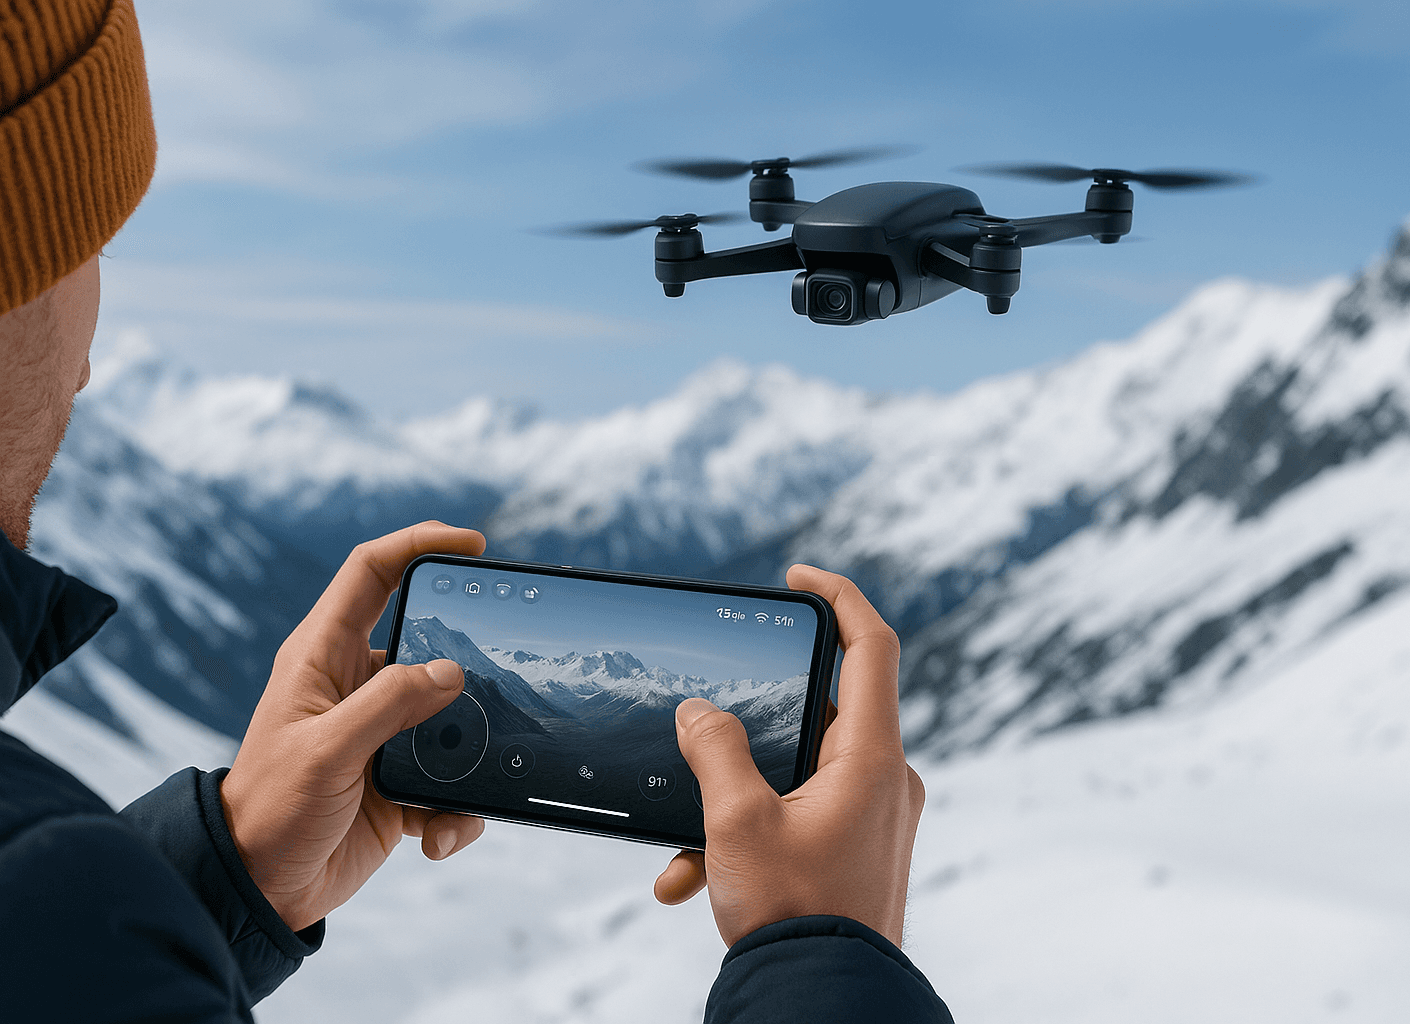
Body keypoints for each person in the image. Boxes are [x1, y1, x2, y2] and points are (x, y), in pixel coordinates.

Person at [0, 2, 952, 1020]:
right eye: (85, 245)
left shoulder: (51, 909)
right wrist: (824, 955)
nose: (94, 351)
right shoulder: (53, 895)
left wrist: (228, 873)